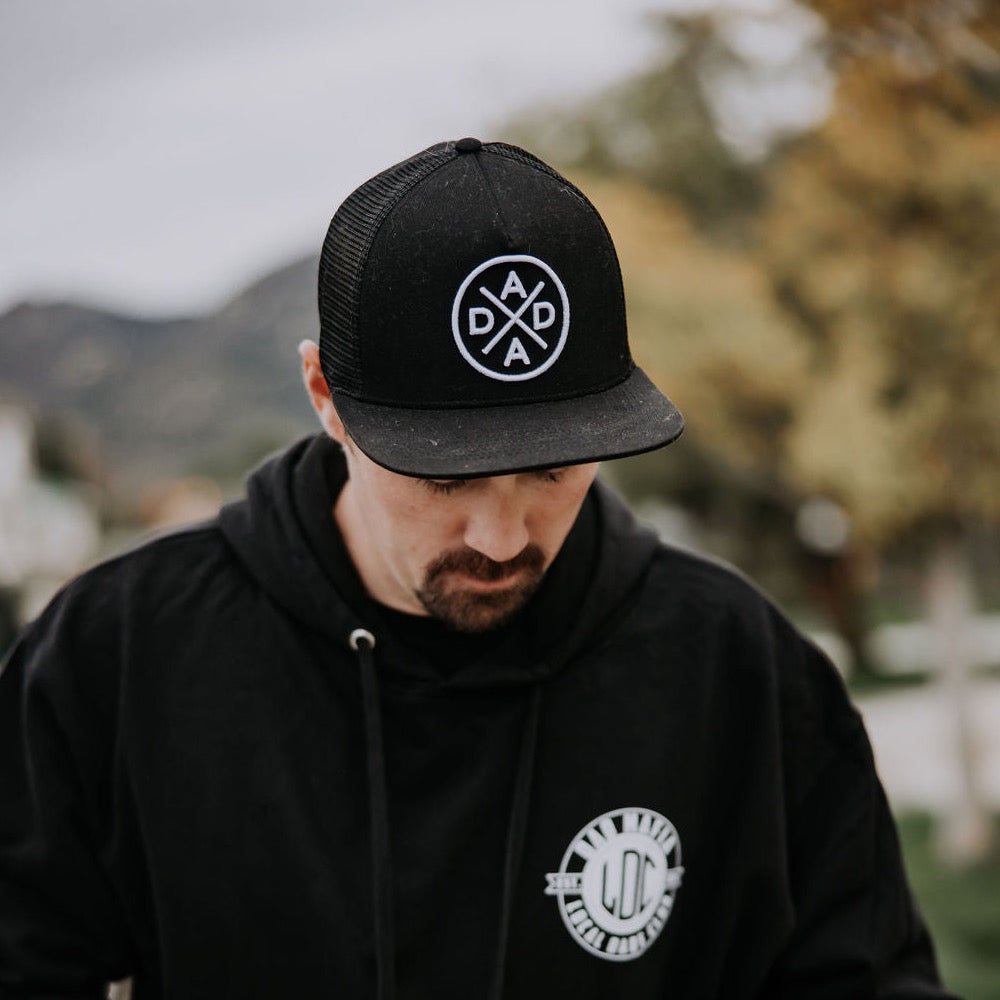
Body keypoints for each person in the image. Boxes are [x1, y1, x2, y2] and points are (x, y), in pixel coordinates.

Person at [0, 138, 956, 1000]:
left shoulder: (741, 671)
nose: (502, 537)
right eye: (442, 474)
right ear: (325, 394)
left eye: (551, 468)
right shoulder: (116, 659)